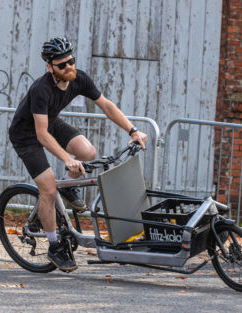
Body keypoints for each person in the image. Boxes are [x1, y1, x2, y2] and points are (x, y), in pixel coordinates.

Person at [8, 37, 147, 272]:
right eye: (61, 65)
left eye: (70, 61)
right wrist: (67, 159)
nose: (69, 67)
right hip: (26, 136)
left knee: (88, 151)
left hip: (51, 124)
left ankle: (69, 186)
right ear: (50, 67)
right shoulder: (41, 89)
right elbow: (40, 135)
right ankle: (54, 246)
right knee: (49, 189)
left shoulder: (79, 78)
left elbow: (106, 106)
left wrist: (132, 130)